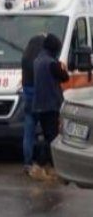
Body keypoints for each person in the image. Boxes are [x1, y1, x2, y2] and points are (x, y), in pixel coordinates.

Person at [32, 33, 69, 178]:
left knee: (47, 135)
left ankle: (46, 166)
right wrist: (62, 66)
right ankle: (41, 166)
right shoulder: (52, 63)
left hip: (39, 105)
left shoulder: (37, 60)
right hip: (51, 105)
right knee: (53, 138)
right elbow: (65, 77)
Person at [21, 34, 46, 178]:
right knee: (46, 132)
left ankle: (27, 162)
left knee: (28, 133)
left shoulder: (25, 59)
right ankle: (43, 161)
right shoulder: (41, 61)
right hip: (41, 97)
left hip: (28, 96)